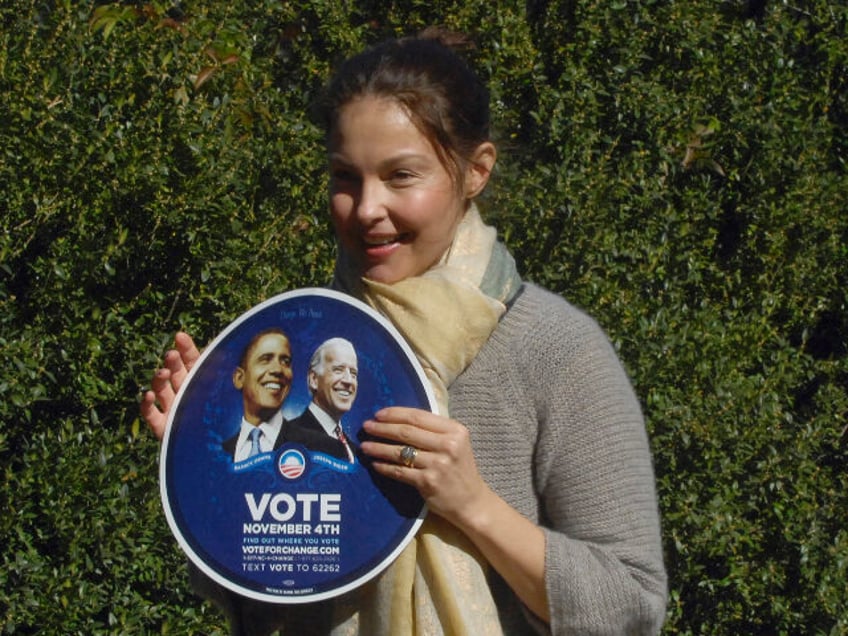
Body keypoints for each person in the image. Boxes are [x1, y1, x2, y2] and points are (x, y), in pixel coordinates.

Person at [141, 29, 667, 635]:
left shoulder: (556, 350)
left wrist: (473, 505)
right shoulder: (304, 341)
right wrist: (206, 461)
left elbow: (630, 606)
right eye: (346, 177)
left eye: (400, 176)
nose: (366, 208)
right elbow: (264, 600)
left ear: (476, 172)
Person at [222, 328, 294, 462]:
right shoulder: (217, 455)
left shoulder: (321, 448)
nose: (278, 370)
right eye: (266, 359)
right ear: (239, 378)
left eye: (285, 362)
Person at [285, 338, 358, 463]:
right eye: (338, 370)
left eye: (353, 373)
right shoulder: (288, 438)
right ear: (314, 379)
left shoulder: (354, 451)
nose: (348, 380)